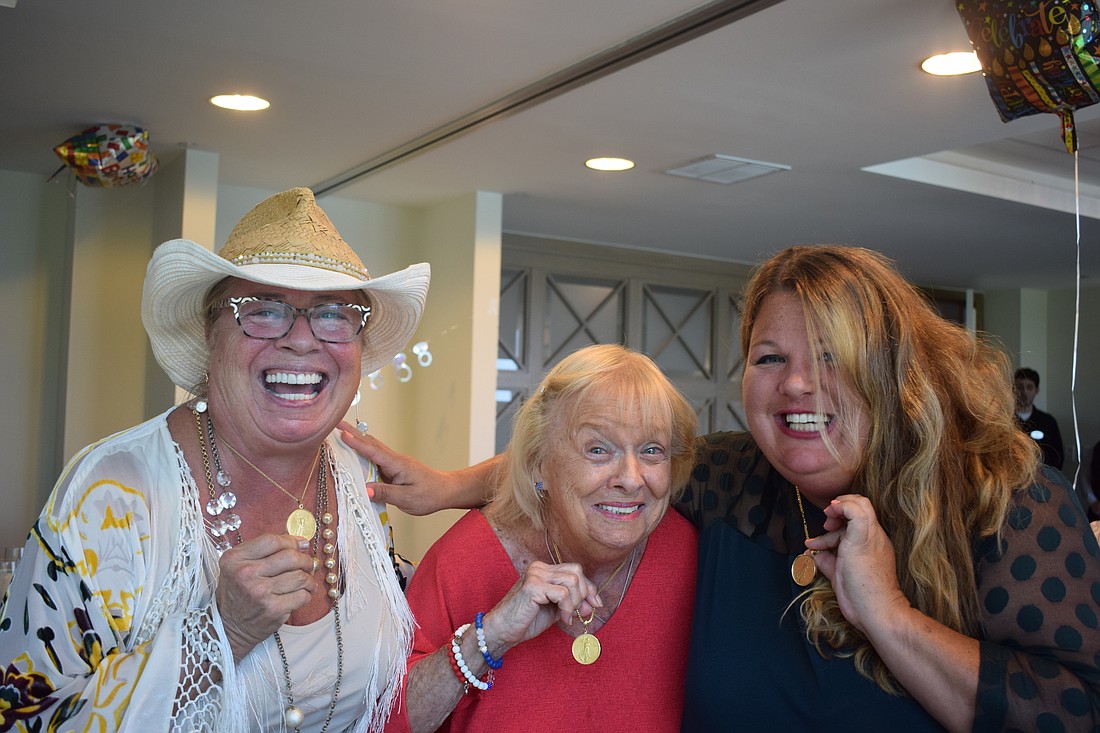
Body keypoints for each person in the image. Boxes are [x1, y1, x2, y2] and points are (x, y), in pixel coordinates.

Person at [347, 246, 1100, 732]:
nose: (799, 383)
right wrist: (450, 485)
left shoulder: (1002, 500)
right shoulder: (740, 481)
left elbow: (1075, 711)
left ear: (893, 372)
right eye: (771, 357)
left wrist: (890, 616)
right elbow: (599, 467)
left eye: (834, 355)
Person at [0, 188, 430, 732]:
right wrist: (219, 634)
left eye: (333, 315)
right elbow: (21, 717)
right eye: (264, 311)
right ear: (211, 331)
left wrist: (467, 493)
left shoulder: (355, 467)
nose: (302, 341)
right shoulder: (114, 491)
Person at [387, 344, 698, 732]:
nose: (632, 478)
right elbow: (386, 721)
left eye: (652, 450)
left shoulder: (695, 557)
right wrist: (490, 636)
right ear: (539, 464)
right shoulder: (464, 560)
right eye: (598, 450)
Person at [1014, 367, 1065, 470]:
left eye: (1029, 387)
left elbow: (1057, 457)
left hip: (1042, 481)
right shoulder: (1005, 421)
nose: (1024, 392)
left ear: (1036, 390)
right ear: (1013, 389)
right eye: (1020, 387)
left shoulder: (1048, 422)